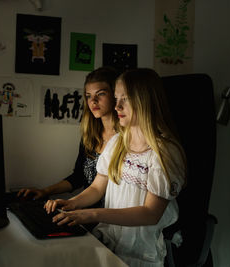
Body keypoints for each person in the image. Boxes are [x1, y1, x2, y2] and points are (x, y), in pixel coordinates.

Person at [45, 68, 186, 266]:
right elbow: (96, 187)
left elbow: (150, 213)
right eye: (116, 98)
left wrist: (91, 214)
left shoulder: (164, 152)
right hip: (108, 241)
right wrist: (72, 204)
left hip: (140, 252)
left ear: (144, 101)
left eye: (125, 99)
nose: (117, 106)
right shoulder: (118, 142)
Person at [17, 67, 120, 206]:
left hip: (115, 218)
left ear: (116, 95)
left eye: (100, 94)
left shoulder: (128, 138)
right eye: (88, 95)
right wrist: (45, 191)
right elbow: (78, 177)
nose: (93, 101)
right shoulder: (89, 136)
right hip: (86, 213)